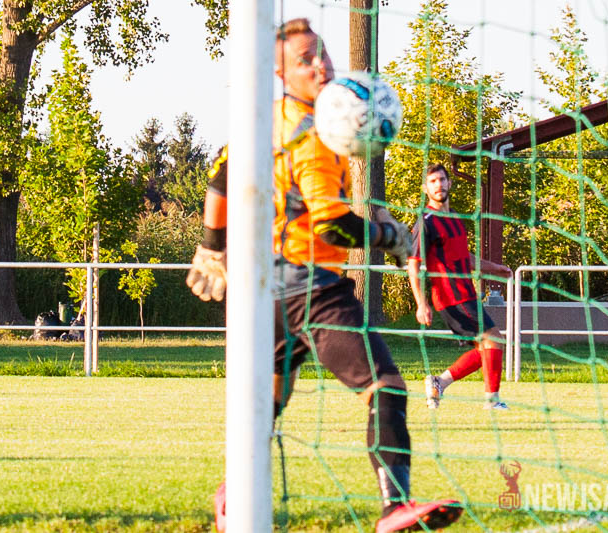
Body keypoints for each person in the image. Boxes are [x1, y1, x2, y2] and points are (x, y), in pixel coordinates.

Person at [186, 19, 462, 533]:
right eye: (305, 59)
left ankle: (231, 497)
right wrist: (389, 236)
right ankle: (395, 507)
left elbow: (220, 178)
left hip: (259, 293)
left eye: (324, 54)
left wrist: (210, 247)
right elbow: (331, 226)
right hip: (312, 289)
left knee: (267, 406)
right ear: (280, 72)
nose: (321, 66)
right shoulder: (315, 137)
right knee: (385, 387)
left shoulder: (261, 120)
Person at [407, 163, 512, 411]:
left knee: (487, 347)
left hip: (467, 293)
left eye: (442, 180)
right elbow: (413, 264)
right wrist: (421, 304)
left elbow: (466, 257)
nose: (439, 185)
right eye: (433, 181)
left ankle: (439, 382)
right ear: (425, 188)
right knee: (493, 340)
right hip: (450, 296)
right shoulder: (426, 222)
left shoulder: (454, 218)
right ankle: (492, 401)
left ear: (449, 183)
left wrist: (495, 268)